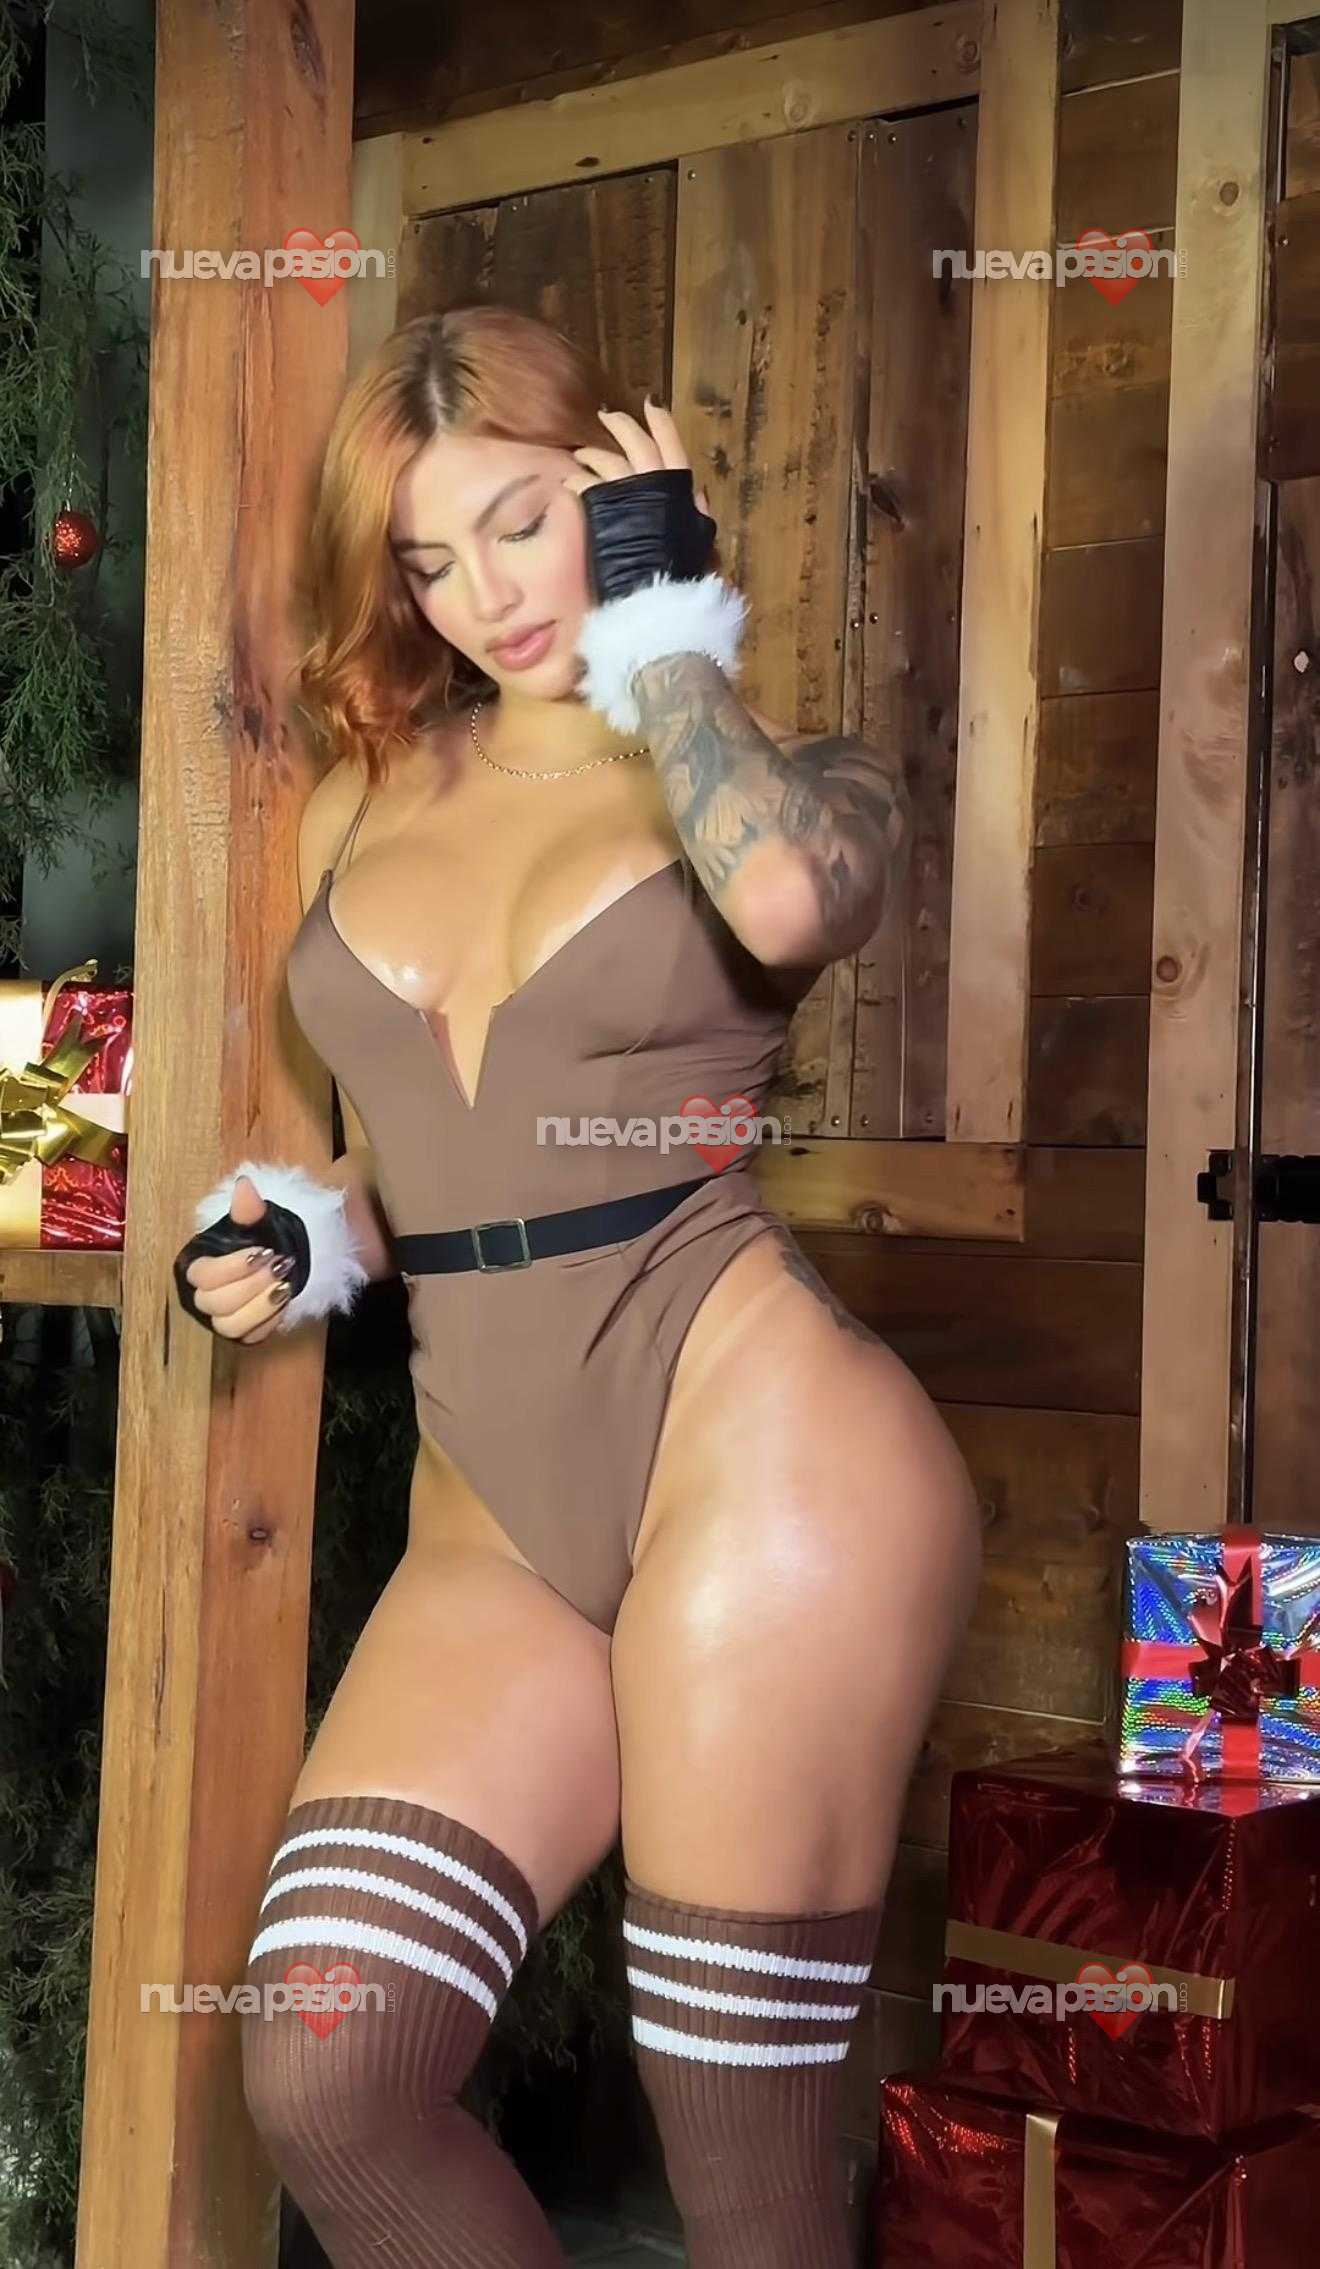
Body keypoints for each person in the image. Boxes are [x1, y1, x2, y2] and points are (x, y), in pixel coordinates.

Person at [172, 302, 982, 2267]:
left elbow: (784, 895)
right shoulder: (371, 800)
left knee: (746, 2176)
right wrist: (292, 1238)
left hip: (765, 1466)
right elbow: (415, 1168)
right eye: (432, 561)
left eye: (525, 523)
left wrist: (665, 630)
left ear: (623, 487)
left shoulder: (784, 778)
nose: (486, 597)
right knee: (327, 2069)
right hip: (494, 1517)